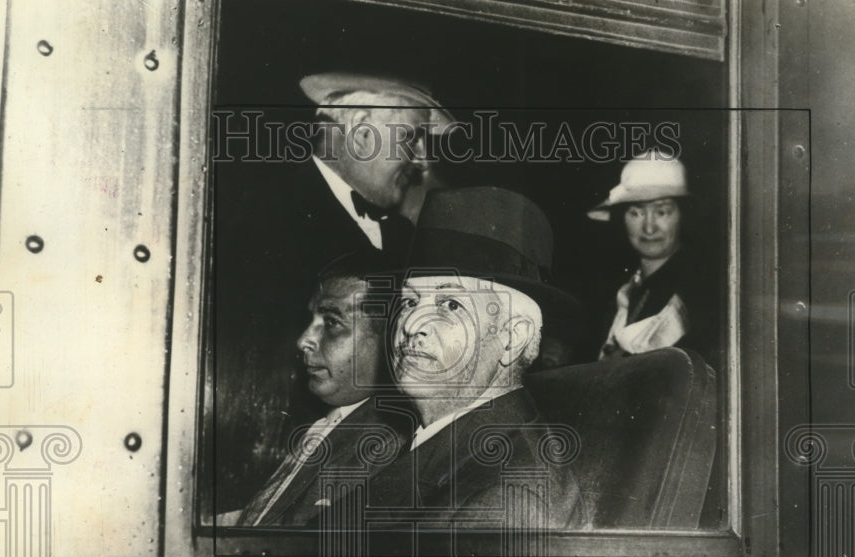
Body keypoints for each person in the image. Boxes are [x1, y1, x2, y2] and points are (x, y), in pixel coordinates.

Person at [214, 73, 451, 510]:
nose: (422, 160)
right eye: (414, 138)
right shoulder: (254, 208)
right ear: (361, 130)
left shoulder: (406, 237)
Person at [361, 187, 587, 530]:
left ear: (513, 337)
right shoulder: (434, 445)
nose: (410, 324)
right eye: (408, 302)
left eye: (450, 304)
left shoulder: (509, 497)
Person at [231, 251, 411, 527]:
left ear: (391, 336)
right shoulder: (328, 426)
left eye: (331, 323)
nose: (304, 340)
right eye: (311, 322)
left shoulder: (385, 451)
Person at [586, 149, 719, 370]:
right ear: (622, 218)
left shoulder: (701, 292)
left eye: (662, 212)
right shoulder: (622, 294)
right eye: (636, 213)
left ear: (681, 215)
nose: (649, 228)